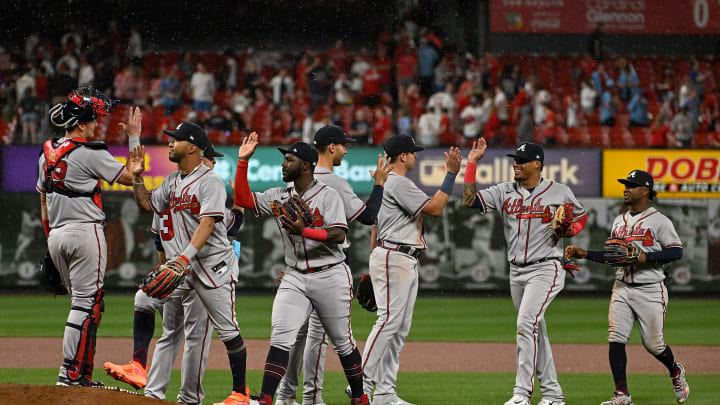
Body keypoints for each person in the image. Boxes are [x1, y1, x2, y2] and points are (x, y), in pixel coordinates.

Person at [232, 135, 370, 405]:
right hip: (295, 276)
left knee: (343, 342)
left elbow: (339, 234)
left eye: (289, 160)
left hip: (330, 274)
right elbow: (243, 199)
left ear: (306, 165)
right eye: (285, 159)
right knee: (281, 336)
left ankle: (360, 397)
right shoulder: (279, 195)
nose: (283, 164)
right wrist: (242, 162)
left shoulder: (328, 195)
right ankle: (267, 399)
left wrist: (304, 231)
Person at [104, 145, 244, 405]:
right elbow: (233, 223)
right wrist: (239, 204)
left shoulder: (170, 198)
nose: (213, 164)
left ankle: (152, 391)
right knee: (196, 338)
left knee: (170, 333)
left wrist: (163, 270)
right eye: (212, 159)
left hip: (174, 270)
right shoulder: (205, 191)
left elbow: (158, 237)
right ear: (203, 159)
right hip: (195, 269)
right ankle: (188, 398)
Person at [462, 140, 587, 405]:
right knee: (535, 329)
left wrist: (568, 230)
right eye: (515, 160)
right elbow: (469, 200)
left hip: (547, 266)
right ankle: (553, 395)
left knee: (525, 324)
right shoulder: (505, 191)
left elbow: (581, 218)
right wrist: (471, 163)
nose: (515, 164)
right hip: (516, 272)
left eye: (521, 160)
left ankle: (522, 393)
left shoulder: (559, 191)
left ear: (537, 164)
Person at [274, 125, 390, 405]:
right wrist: (379, 185)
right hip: (328, 264)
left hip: (300, 263)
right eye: (342, 144)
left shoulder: (299, 182)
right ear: (331, 147)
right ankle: (312, 397)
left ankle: (285, 395)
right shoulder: (332, 183)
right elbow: (368, 216)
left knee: (295, 335)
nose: (346, 149)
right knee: (317, 335)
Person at [565, 170, 690, 405]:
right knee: (616, 338)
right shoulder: (618, 221)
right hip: (622, 286)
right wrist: (585, 254)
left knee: (654, 345)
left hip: (650, 288)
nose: (626, 189)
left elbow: (676, 250)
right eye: (625, 185)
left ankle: (675, 371)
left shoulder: (659, 220)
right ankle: (622, 395)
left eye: (632, 185)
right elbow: (614, 256)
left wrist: (645, 257)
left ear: (645, 190)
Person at [38, 87, 135, 387]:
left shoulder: (47, 153)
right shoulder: (91, 153)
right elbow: (133, 175)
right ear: (80, 123)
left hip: (57, 234)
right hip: (85, 231)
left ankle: (82, 375)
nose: (96, 126)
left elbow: (43, 202)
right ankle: (68, 374)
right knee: (84, 305)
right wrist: (134, 138)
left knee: (91, 305)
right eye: (93, 120)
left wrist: (51, 239)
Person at [361, 136, 461, 405]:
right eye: (413, 153)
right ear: (402, 156)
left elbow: (374, 225)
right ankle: (361, 384)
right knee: (389, 321)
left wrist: (373, 260)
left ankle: (384, 393)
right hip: (395, 255)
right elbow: (436, 208)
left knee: (399, 327)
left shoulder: (385, 182)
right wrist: (451, 174)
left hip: (394, 255)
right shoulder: (398, 182)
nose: (416, 156)